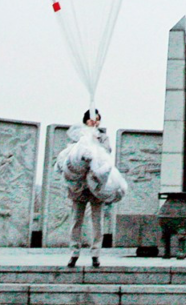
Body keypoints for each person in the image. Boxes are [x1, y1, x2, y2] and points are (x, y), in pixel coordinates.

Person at [67, 109, 113, 269]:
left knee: (97, 221)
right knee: (76, 220)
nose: (95, 122)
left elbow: (107, 153)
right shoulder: (77, 136)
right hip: (79, 185)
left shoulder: (103, 137)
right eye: (93, 120)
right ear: (86, 120)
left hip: (96, 185)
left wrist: (96, 145)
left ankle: (95, 254)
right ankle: (74, 253)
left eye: (98, 120)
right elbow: (70, 155)